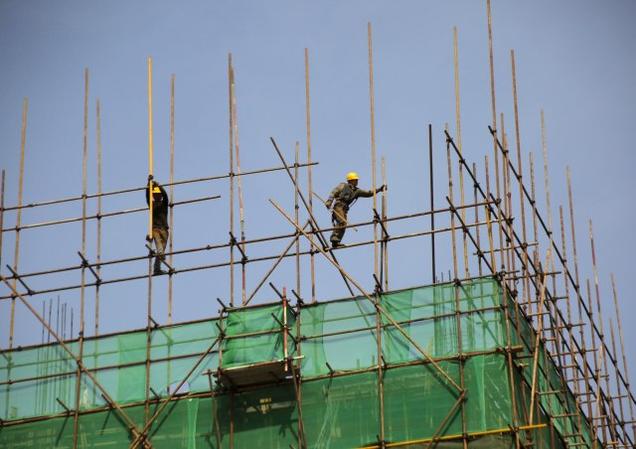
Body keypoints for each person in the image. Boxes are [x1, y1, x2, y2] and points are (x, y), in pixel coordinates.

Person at [325, 172, 385, 248]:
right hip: (338, 206)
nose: (356, 182)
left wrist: (379, 190)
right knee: (342, 221)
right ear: (350, 180)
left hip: (344, 209)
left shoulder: (357, 191)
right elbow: (334, 192)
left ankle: (336, 242)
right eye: (355, 180)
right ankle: (334, 238)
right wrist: (329, 201)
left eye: (357, 180)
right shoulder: (343, 186)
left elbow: (368, 193)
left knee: (344, 224)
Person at [145, 176, 170, 275]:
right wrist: (149, 185)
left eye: (158, 194)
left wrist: (159, 186)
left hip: (164, 230)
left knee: (162, 250)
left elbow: (166, 195)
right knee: (160, 249)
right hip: (155, 229)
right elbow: (147, 196)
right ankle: (160, 254)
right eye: (155, 194)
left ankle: (157, 269)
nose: (157, 196)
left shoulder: (164, 204)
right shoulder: (152, 204)